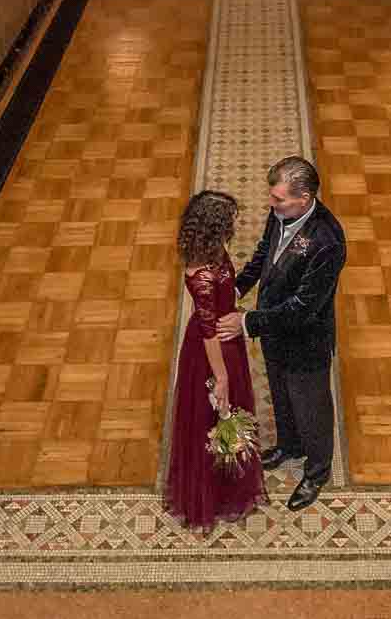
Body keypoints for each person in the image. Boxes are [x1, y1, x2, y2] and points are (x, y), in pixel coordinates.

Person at [217, 155, 346, 511]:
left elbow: (304, 308)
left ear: (304, 199)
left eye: (278, 199)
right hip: (275, 331)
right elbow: (264, 254)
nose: (271, 204)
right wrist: (238, 287)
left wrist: (247, 322)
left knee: (311, 407)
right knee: (281, 394)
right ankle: (290, 445)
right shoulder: (281, 215)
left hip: (306, 341)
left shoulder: (327, 240)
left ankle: (317, 471)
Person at [164, 190, 265, 528]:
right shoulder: (201, 275)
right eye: (230, 220)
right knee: (214, 416)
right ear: (215, 227)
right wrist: (221, 376)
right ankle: (213, 494)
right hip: (212, 352)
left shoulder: (214, 250)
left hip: (226, 339)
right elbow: (208, 334)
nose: (235, 225)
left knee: (229, 413)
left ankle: (230, 481)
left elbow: (228, 290)